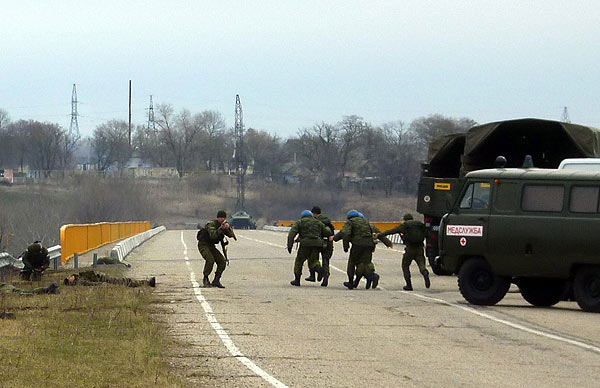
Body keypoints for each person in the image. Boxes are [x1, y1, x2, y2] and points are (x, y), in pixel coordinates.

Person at [333, 210, 393, 290]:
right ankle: (373, 276)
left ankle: (351, 282)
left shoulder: (350, 222)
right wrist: (388, 243)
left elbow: (345, 233)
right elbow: (378, 233)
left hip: (358, 245)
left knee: (352, 262)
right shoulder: (367, 223)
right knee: (366, 262)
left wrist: (345, 246)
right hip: (369, 245)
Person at [379, 213, 430, 291]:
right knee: (421, 264)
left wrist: (380, 235)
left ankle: (409, 285)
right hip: (420, 248)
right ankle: (424, 272)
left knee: (405, 266)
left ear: (405, 219)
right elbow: (427, 233)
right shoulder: (420, 225)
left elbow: (392, 231)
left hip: (410, 249)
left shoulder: (405, 225)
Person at [287, 210, 333, 286]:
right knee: (314, 260)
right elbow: (327, 232)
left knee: (299, 261)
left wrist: (290, 245)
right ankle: (320, 270)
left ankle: (297, 280)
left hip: (305, 244)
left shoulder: (300, 222)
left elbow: (291, 234)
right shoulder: (318, 222)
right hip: (317, 245)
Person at [196, 210, 237, 288]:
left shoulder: (223, 225)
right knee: (210, 260)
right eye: (221, 218)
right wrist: (220, 229)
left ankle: (216, 280)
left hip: (211, 246)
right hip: (203, 245)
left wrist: (228, 228)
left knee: (222, 261)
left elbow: (232, 236)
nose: (222, 219)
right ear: (217, 218)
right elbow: (213, 235)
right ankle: (205, 278)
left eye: (224, 218)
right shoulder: (211, 224)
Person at [304, 206, 335, 287]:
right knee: (326, 260)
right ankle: (326, 275)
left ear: (313, 213)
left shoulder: (314, 221)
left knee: (312, 259)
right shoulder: (327, 220)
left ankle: (313, 275)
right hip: (328, 242)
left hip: (317, 242)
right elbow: (332, 232)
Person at [64, 270, 155, 287]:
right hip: (104, 281)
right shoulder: (80, 281)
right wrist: (104, 284)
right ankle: (147, 283)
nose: (70, 276)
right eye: (69, 278)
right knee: (126, 282)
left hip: (103, 278)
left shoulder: (79, 276)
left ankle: (146, 282)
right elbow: (92, 284)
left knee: (126, 281)